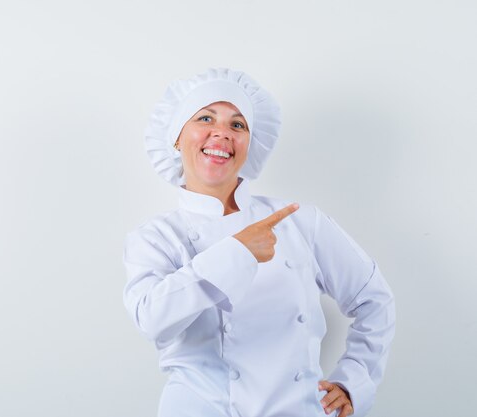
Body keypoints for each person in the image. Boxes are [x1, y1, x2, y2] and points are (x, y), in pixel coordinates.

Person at [122, 68, 395, 417]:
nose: (221, 132)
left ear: (250, 145)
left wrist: (353, 382)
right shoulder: (155, 237)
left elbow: (374, 299)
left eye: (238, 125)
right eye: (205, 117)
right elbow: (152, 319)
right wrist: (237, 252)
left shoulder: (298, 220)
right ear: (176, 137)